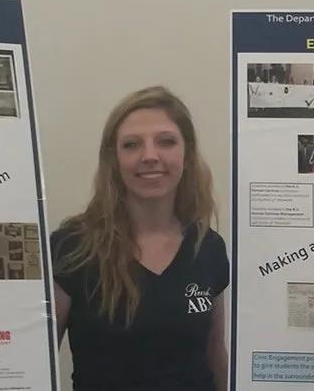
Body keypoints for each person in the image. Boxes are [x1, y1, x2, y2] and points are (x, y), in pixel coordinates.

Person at [51, 86, 229, 391]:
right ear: (114, 159)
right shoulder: (72, 248)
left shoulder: (208, 246)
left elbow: (215, 355)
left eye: (166, 141)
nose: (149, 156)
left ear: (186, 154)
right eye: (132, 145)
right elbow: (35, 363)